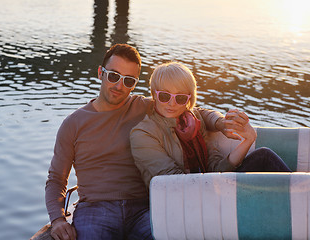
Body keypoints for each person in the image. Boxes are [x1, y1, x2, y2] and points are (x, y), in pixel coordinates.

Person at [45, 44, 243, 240]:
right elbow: (56, 179)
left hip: (144, 208)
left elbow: (193, 111)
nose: (119, 86)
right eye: (113, 76)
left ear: (135, 83)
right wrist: (58, 220)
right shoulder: (73, 124)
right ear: (100, 73)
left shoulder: (146, 107)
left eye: (128, 81)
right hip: (96, 209)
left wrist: (220, 123)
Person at [130, 61, 291, 188]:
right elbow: (174, 182)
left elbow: (216, 169)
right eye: (164, 96)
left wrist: (247, 140)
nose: (171, 103)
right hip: (180, 202)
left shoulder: (194, 122)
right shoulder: (143, 134)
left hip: (210, 188)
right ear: (154, 95)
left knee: (263, 156)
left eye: (180, 98)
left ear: (188, 100)